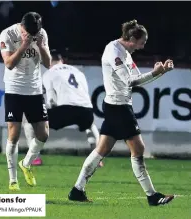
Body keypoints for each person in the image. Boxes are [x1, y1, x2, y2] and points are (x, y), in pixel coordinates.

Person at [68, 20, 175, 206]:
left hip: (116, 105)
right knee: (138, 149)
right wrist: (155, 73)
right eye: (142, 42)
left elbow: (137, 79)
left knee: (101, 150)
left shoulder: (125, 52)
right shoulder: (114, 51)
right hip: (119, 107)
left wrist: (161, 72)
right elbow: (129, 81)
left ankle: (77, 190)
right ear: (132, 38)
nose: (142, 47)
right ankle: (152, 196)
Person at [23, 51, 103, 167]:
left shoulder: (49, 73)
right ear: (62, 61)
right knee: (90, 125)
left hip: (66, 110)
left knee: (29, 121)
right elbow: (85, 94)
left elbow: (51, 100)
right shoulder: (79, 72)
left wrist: (47, 115)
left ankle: (34, 158)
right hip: (86, 111)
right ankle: (97, 157)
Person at [0, 12, 51, 191]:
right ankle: (13, 180)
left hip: (35, 89)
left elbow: (48, 63)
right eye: (29, 32)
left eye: (35, 33)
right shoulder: (8, 34)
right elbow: (9, 64)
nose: (32, 35)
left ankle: (26, 163)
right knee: (14, 134)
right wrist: (24, 45)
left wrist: (41, 46)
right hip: (14, 89)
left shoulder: (41, 34)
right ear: (22, 27)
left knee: (43, 134)